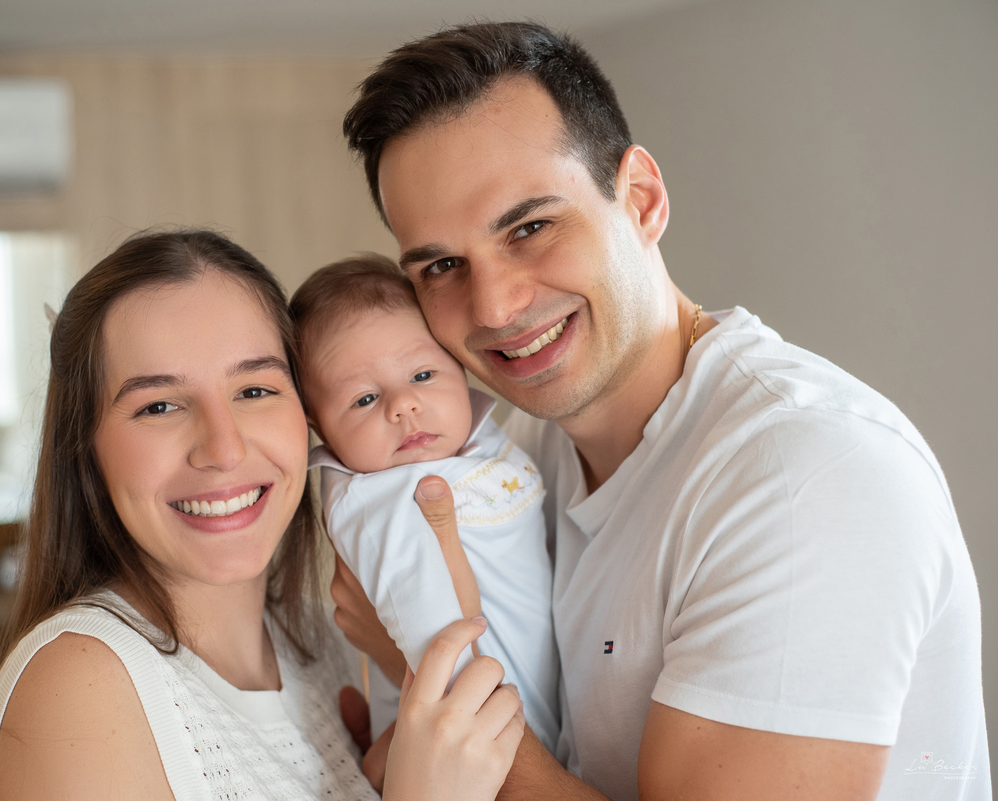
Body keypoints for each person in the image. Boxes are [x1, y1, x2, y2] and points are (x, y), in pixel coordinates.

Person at [331, 21, 990, 801]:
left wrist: (430, 680)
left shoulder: (806, 476)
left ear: (641, 199)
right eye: (443, 265)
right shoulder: (521, 455)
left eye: (530, 227)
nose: (495, 306)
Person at [0, 229, 525, 801]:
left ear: (306, 415)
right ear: (84, 448)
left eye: (255, 391)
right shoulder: (78, 688)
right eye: (159, 405)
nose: (225, 449)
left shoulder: (332, 650)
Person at [290, 254, 559, 749]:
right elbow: (439, 644)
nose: (404, 405)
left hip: (547, 700)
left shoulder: (466, 434)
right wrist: (495, 751)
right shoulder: (381, 502)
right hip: (491, 735)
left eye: (422, 375)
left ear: (458, 362)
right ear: (317, 423)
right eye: (364, 399)